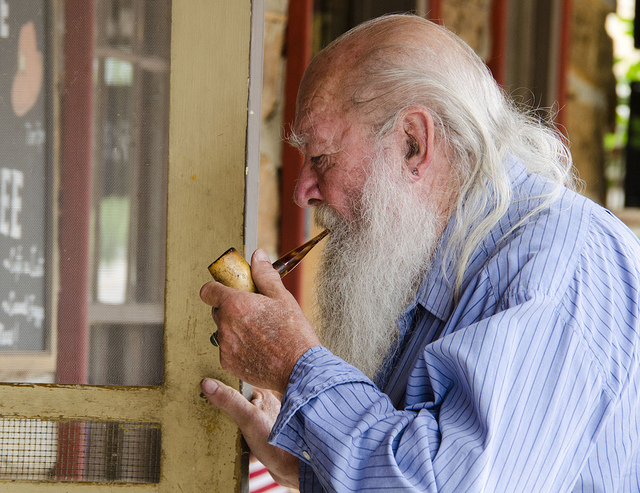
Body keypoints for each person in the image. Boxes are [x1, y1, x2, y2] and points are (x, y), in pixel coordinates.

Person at [199, 14, 640, 492]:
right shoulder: (446, 264)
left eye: (321, 157)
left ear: (413, 144)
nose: (302, 191)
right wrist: (307, 467)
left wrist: (294, 363)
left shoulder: (555, 265)